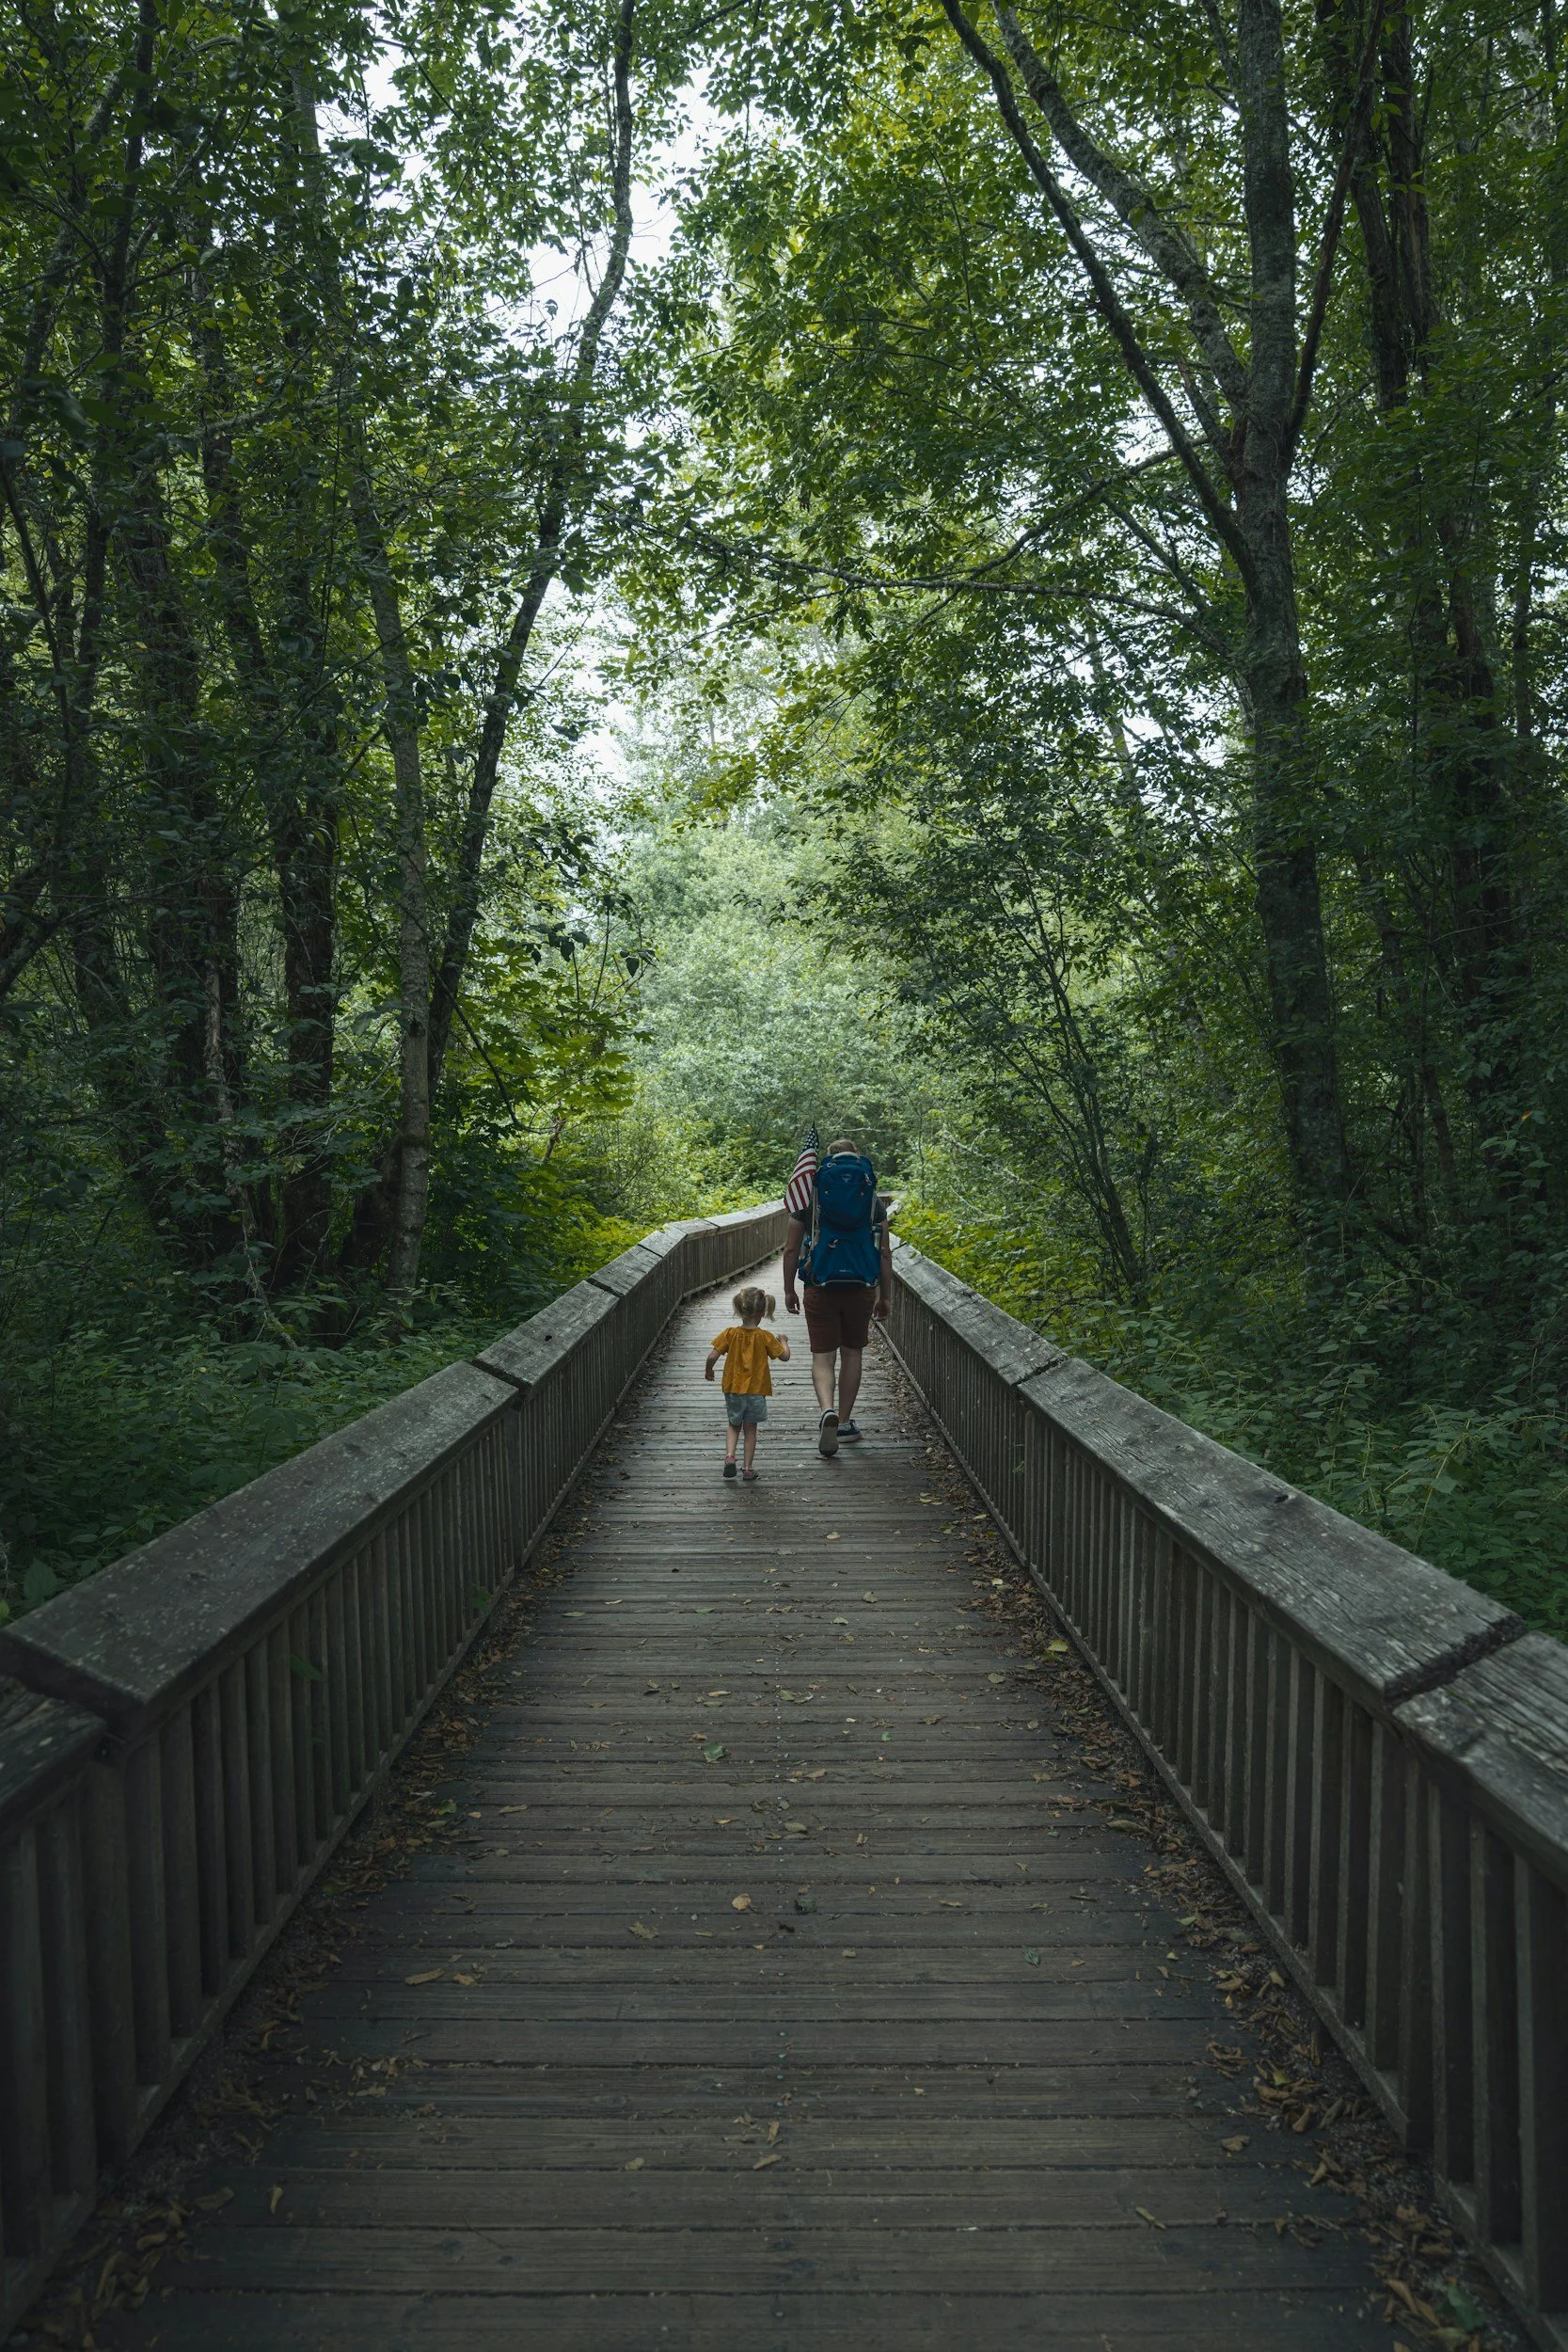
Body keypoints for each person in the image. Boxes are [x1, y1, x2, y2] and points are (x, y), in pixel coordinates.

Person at [782, 1136, 892, 1456]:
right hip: (861, 1285)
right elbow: (884, 1253)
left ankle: (826, 1410)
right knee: (853, 1353)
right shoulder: (872, 1199)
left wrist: (789, 1288)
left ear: (826, 1161)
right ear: (858, 1159)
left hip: (820, 1283)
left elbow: (791, 1249)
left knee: (822, 1356)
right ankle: (843, 1422)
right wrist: (886, 1296)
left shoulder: (809, 1196)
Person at [705, 1287, 791, 1481]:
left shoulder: (729, 1334)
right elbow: (784, 1357)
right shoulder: (765, 1337)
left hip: (734, 1389)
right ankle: (748, 1469)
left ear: (739, 1310)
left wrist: (709, 1370)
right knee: (750, 1429)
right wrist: (784, 1341)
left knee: (734, 1424)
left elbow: (712, 1356)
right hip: (756, 1390)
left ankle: (729, 1457)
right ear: (762, 1314)